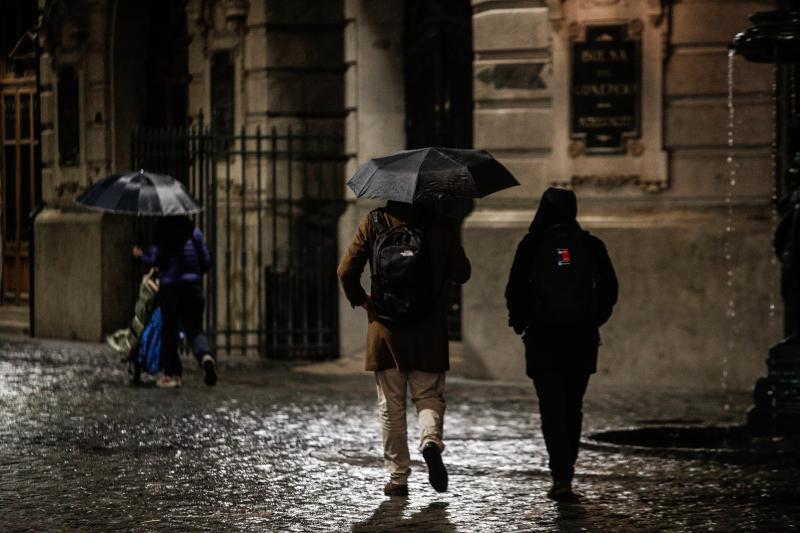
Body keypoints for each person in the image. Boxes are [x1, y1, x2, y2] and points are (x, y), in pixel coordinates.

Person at [338, 200, 471, 497]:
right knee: (428, 396)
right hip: (429, 329)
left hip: (385, 330)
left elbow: (346, 270)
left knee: (391, 406)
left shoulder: (374, 221)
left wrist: (363, 300)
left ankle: (398, 478)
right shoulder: (439, 222)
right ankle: (430, 442)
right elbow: (463, 273)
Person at [505, 187, 618, 502]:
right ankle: (567, 470)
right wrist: (593, 320)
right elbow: (610, 290)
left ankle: (560, 477)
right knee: (573, 406)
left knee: (551, 408)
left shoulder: (532, 245)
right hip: (581, 338)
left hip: (544, 339)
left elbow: (514, 290)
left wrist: (521, 322)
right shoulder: (591, 245)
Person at [134, 215, 216, 388]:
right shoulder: (194, 232)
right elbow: (207, 261)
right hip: (193, 288)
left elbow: (155, 259)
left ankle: (172, 374)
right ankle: (205, 356)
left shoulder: (163, 230)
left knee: (169, 331)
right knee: (194, 329)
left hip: (171, 288)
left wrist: (141, 255)